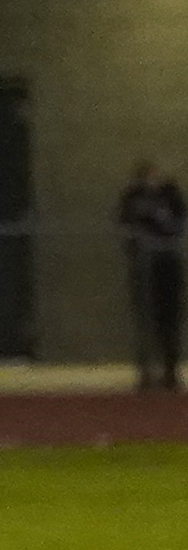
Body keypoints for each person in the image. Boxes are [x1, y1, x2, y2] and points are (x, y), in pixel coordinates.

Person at [118, 160, 184, 393]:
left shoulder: (171, 194)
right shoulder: (133, 197)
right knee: (145, 318)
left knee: (169, 319)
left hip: (167, 261)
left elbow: (178, 223)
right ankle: (145, 372)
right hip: (144, 264)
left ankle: (170, 372)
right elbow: (126, 225)